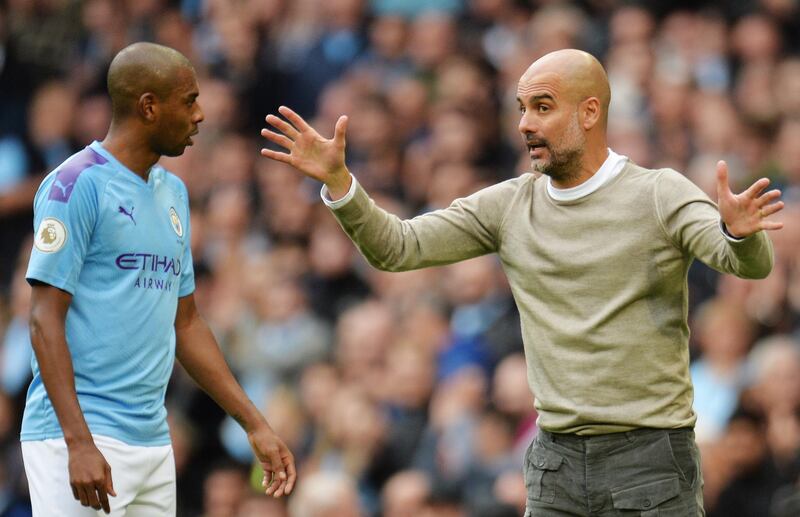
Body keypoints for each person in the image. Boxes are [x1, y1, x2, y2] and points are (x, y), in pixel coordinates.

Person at [259, 48, 784, 515]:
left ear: (590, 111)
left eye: (542, 106)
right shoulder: (509, 204)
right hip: (553, 462)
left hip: (648, 461)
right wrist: (340, 183)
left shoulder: (659, 193)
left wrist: (741, 234)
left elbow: (745, 263)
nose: (525, 124)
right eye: (521, 108)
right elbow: (398, 247)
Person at [22, 42, 295, 516]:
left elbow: (186, 323)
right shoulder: (75, 184)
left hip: (151, 439)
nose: (201, 114)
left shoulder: (174, 193)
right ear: (149, 106)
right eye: (189, 100)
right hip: (84, 439)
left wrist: (254, 423)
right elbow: (44, 319)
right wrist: (78, 443)